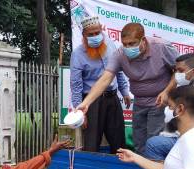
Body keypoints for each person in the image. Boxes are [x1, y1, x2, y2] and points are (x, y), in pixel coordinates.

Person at [76, 22, 179, 154]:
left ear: (143, 40)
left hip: (160, 101)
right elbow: (105, 79)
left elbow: (179, 70)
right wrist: (86, 103)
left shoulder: (162, 47)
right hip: (139, 103)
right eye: (124, 44)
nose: (128, 47)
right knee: (138, 142)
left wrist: (167, 91)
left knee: (154, 140)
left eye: (132, 43)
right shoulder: (120, 54)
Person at [70, 16, 131, 153]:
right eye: (90, 34)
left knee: (119, 142)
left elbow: (118, 70)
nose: (95, 36)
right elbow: (76, 86)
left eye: (97, 32)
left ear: (101, 30)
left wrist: (125, 91)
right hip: (92, 103)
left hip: (113, 98)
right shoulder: (78, 54)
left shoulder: (110, 44)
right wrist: (81, 113)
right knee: (91, 144)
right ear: (84, 35)